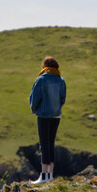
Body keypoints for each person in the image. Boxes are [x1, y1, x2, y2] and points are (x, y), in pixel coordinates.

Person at [29, 56, 66, 184]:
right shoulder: (61, 80)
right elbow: (62, 99)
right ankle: (50, 175)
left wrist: (34, 109)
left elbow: (34, 99)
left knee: (44, 144)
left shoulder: (41, 79)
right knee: (51, 143)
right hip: (56, 115)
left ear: (45, 66)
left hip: (44, 115)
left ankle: (43, 176)